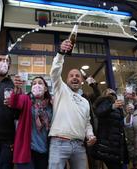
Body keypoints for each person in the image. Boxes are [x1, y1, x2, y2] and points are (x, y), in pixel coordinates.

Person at [48, 39, 96, 169]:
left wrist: (90, 135)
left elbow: (87, 123)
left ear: (81, 81)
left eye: (78, 76)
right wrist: (61, 53)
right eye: (71, 75)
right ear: (66, 79)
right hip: (59, 143)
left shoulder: (85, 102)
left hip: (79, 146)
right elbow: (55, 72)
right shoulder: (60, 89)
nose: (75, 77)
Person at [8, 76, 52, 169]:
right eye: (34, 83)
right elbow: (14, 102)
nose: (37, 85)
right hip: (27, 150)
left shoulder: (51, 106)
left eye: (40, 83)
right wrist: (16, 89)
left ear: (45, 88)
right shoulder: (26, 99)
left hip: (44, 151)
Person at [92, 88, 128, 169]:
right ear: (105, 94)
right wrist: (112, 106)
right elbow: (99, 112)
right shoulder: (105, 101)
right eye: (109, 92)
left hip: (117, 146)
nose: (112, 93)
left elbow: (121, 124)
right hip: (108, 145)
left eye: (113, 92)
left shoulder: (118, 107)